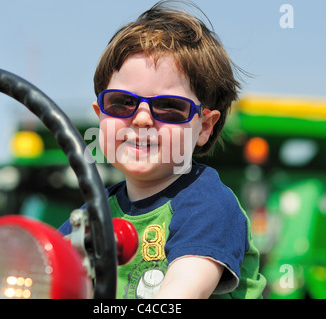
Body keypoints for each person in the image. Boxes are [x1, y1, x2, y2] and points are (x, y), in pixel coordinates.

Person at [59, 0, 266, 299]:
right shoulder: (93, 215)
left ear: (204, 127)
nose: (142, 119)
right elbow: (41, 269)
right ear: (101, 114)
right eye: (121, 103)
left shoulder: (208, 205)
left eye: (169, 107)